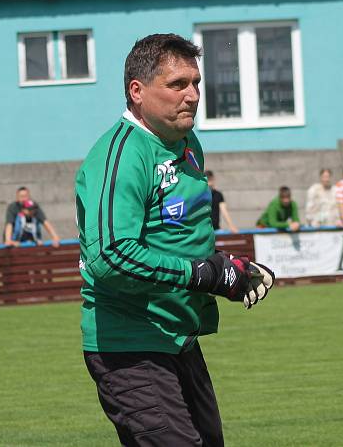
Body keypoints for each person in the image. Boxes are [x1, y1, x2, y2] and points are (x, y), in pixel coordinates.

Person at [76, 33, 275, 446]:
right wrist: (202, 275)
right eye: (177, 84)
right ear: (137, 91)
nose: (192, 95)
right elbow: (110, 256)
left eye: (196, 83)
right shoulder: (122, 155)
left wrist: (227, 269)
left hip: (179, 340)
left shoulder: (186, 144)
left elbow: (178, 235)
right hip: (129, 345)